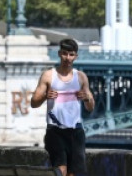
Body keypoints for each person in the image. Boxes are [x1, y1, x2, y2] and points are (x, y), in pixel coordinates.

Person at [31, 38, 94, 176]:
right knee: (61, 170)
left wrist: (87, 98)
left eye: (71, 54)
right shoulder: (48, 76)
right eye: (65, 54)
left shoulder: (81, 77)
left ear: (75, 56)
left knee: (73, 173)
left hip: (76, 131)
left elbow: (90, 107)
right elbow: (33, 103)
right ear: (59, 54)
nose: (67, 58)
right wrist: (45, 96)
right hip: (55, 130)